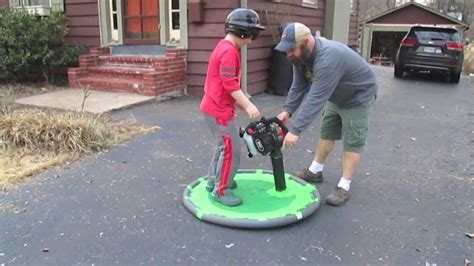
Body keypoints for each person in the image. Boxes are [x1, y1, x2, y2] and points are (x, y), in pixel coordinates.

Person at [275, 22, 378, 206]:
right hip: (336, 93)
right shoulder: (299, 58)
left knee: (352, 140)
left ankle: (344, 186)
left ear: (306, 42)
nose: (288, 54)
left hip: (357, 96)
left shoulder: (328, 57)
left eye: (291, 49)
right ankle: (315, 171)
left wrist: (295, 130)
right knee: (327, 131)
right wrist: (287, 111)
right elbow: (298, 85)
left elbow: (315, 98)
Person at [200, 8, 265, 207]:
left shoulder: (223, 46)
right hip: (218, 110)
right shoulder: (229, 51)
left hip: (213, 107)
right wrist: (248, 105)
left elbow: (226, 84)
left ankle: (214, 180)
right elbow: (230, 84)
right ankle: (221, 190)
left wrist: (241, 101)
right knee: (231, 150)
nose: (251, 41)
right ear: (243, 32)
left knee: (222, 145)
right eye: (251, 35)